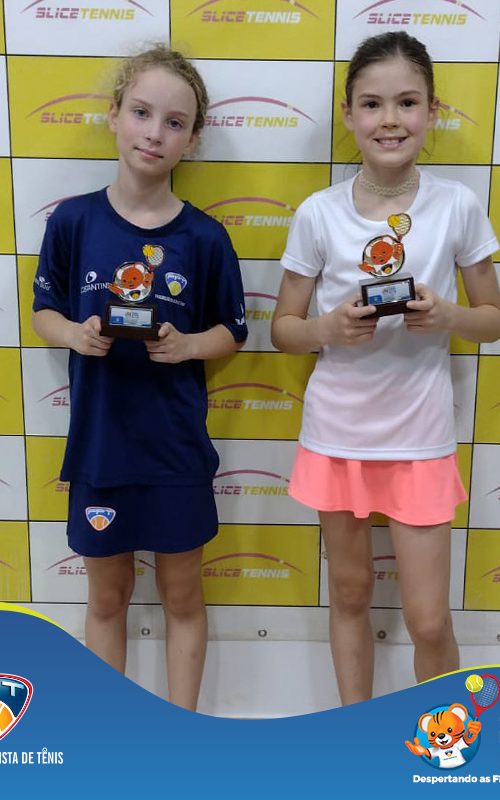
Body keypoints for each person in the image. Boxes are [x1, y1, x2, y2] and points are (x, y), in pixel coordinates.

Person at [271, 31, 500, 706]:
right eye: (372, 104)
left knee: (428, 620)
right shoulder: (318, 213)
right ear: (348, 115)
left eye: (407, 102)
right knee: (349, 596)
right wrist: (327, 328)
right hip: (336, 434)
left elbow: (493, 318)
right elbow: (284, 330)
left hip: (420, 438)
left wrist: (448, 316)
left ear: (433, 111)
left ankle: (450, 746)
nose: (390, 120)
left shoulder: (457, 206)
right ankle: (357, 738)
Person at [32, 44, 248, 711]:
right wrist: (75, 334)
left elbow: (233, 331)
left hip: (176, 453)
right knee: (108, 599)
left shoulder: (205, 238)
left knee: (183, 597)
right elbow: (43, 313)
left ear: (193, 139)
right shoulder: (73, 221)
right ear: (114, 115)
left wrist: (188, 346)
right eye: (142, 112)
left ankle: (179, 733)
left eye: (174, 122)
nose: (154, 132)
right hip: (100, 452)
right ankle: (110, 732)